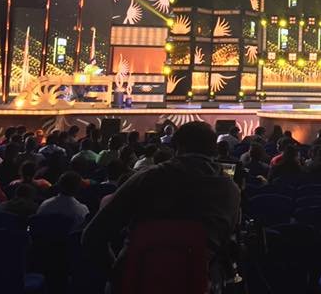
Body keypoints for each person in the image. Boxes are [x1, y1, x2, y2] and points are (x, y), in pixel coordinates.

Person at [82, 121, 242, 285]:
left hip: (135, 280)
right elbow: (226, 246)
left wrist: (116, 276)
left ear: (177, 146)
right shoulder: (231, 191)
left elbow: (93, 235)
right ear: (214, 149)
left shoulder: (146, 178)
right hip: (195, 284)